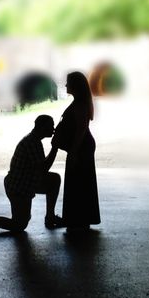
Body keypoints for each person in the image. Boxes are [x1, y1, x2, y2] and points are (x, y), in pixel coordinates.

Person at [0, 115, 64, 233]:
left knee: (54, 179)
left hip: (25, 183)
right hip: (18, 187)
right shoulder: (32, 143)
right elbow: (43, 169)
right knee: (19, 224)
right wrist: (55, 147)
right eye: (50, 126)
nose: (53, 129)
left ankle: (50, 217)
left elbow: (40, 169)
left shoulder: (34, 140)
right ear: (42, 127)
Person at [52, 71, 100, 232]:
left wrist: (73, 152)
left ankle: (77, 219)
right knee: (80, 183)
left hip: (81, 147)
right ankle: (78, 219)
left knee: (78, 182)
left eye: (68, 82)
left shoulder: (79, 104)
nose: (65, 85)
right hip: (82, 146)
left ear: (75, 86)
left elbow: (81, 129)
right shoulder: (80, 101)